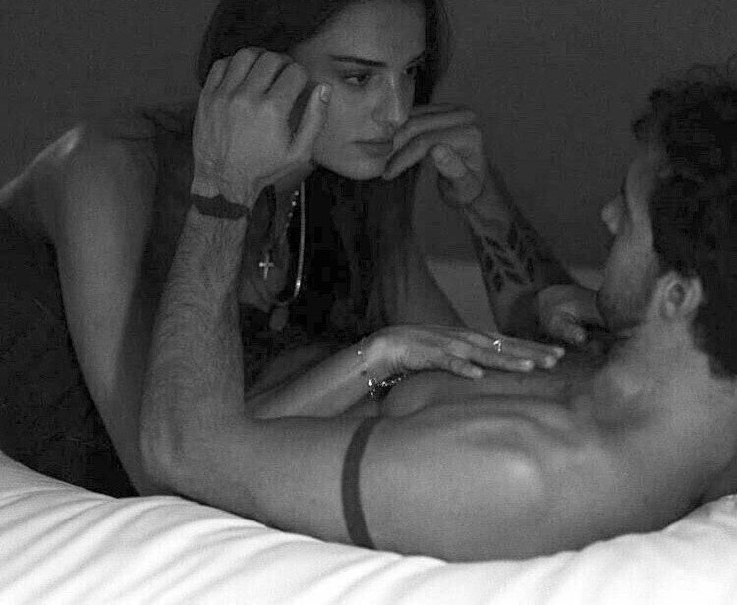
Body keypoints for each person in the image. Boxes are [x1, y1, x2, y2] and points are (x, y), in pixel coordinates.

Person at [0, 0, 566, 498]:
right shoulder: (108, 169)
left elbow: (467, 368)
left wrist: (484, 203)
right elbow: (161, 464)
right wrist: (376, 358)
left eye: (409, 73)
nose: (397, 112)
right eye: (359, 77)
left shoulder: (352, 178)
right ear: (258, 65)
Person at [140, 66, 737, 561]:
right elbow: (554, 306)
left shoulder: (511, 475)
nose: (606, 216)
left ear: (678, 297)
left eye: (628, 215)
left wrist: (223, 188)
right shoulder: (660, 377)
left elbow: (181, 453)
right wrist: (483, 203)